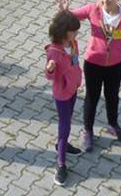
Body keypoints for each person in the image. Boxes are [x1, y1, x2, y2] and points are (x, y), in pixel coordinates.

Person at [55, 0, 121, 152]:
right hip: (93, 64)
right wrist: (64, 12)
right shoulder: (93, 10)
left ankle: (113, 124)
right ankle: (88, 130)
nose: (105, 0)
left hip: (114, 66)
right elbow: (72, 16)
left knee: (112, 96)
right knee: (91, 98)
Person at [44, 10, 82, 187]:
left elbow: (75, 62)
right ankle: (61, 163)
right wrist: (50, 69)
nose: (76, 34)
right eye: (73, 31)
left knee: (69, 118)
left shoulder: (72, 43)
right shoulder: (54, 51)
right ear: (64, 32)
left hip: (73, 89)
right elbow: (49, 76)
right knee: (64, 124)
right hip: (62, 94)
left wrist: (63, 10)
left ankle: (63, 144)